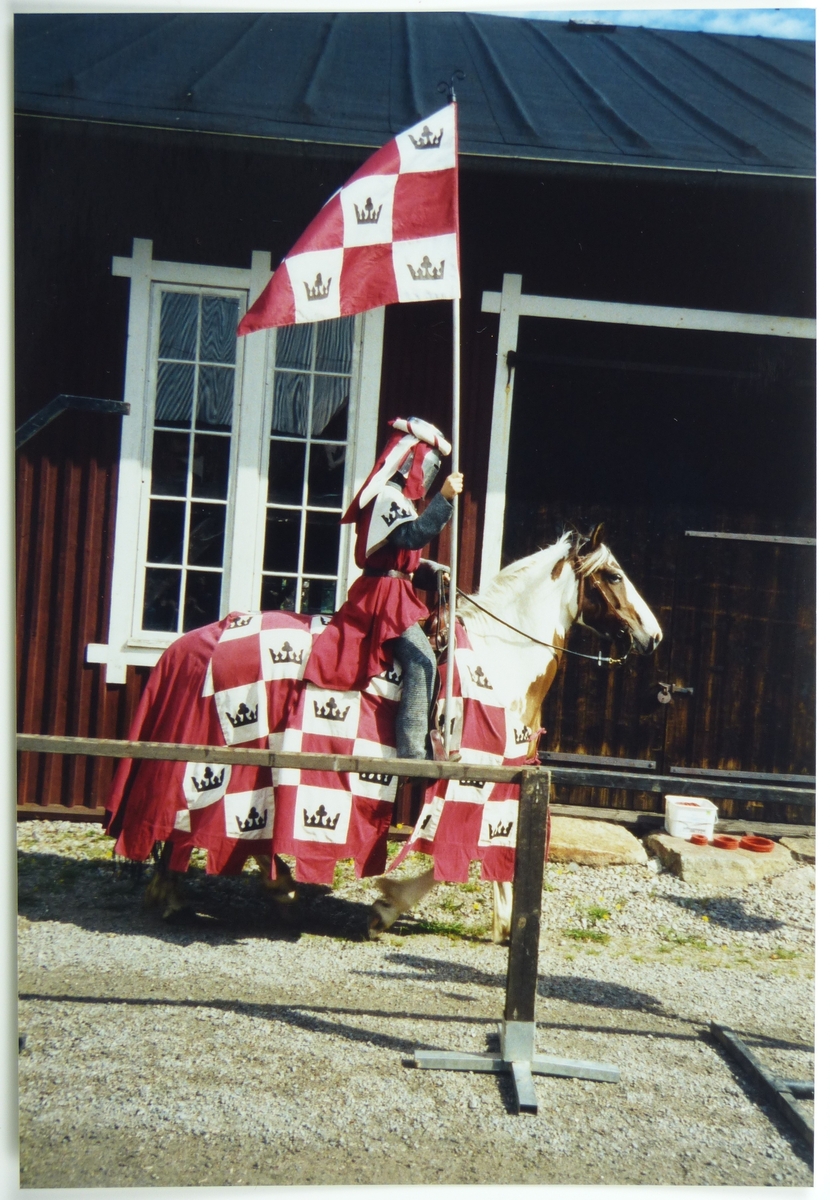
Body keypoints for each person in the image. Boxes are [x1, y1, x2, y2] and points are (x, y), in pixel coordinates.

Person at [303, 417, 463, 759]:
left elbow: (400, 562)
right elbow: (411, 537)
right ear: (410, 458)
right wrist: (445, 499)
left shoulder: (400, 500)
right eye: (429, 463)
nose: (430, 473)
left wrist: (433, 571)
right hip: (382, 600)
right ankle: (413, 756)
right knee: (422, 661)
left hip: (395, 593)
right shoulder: (386, 496)